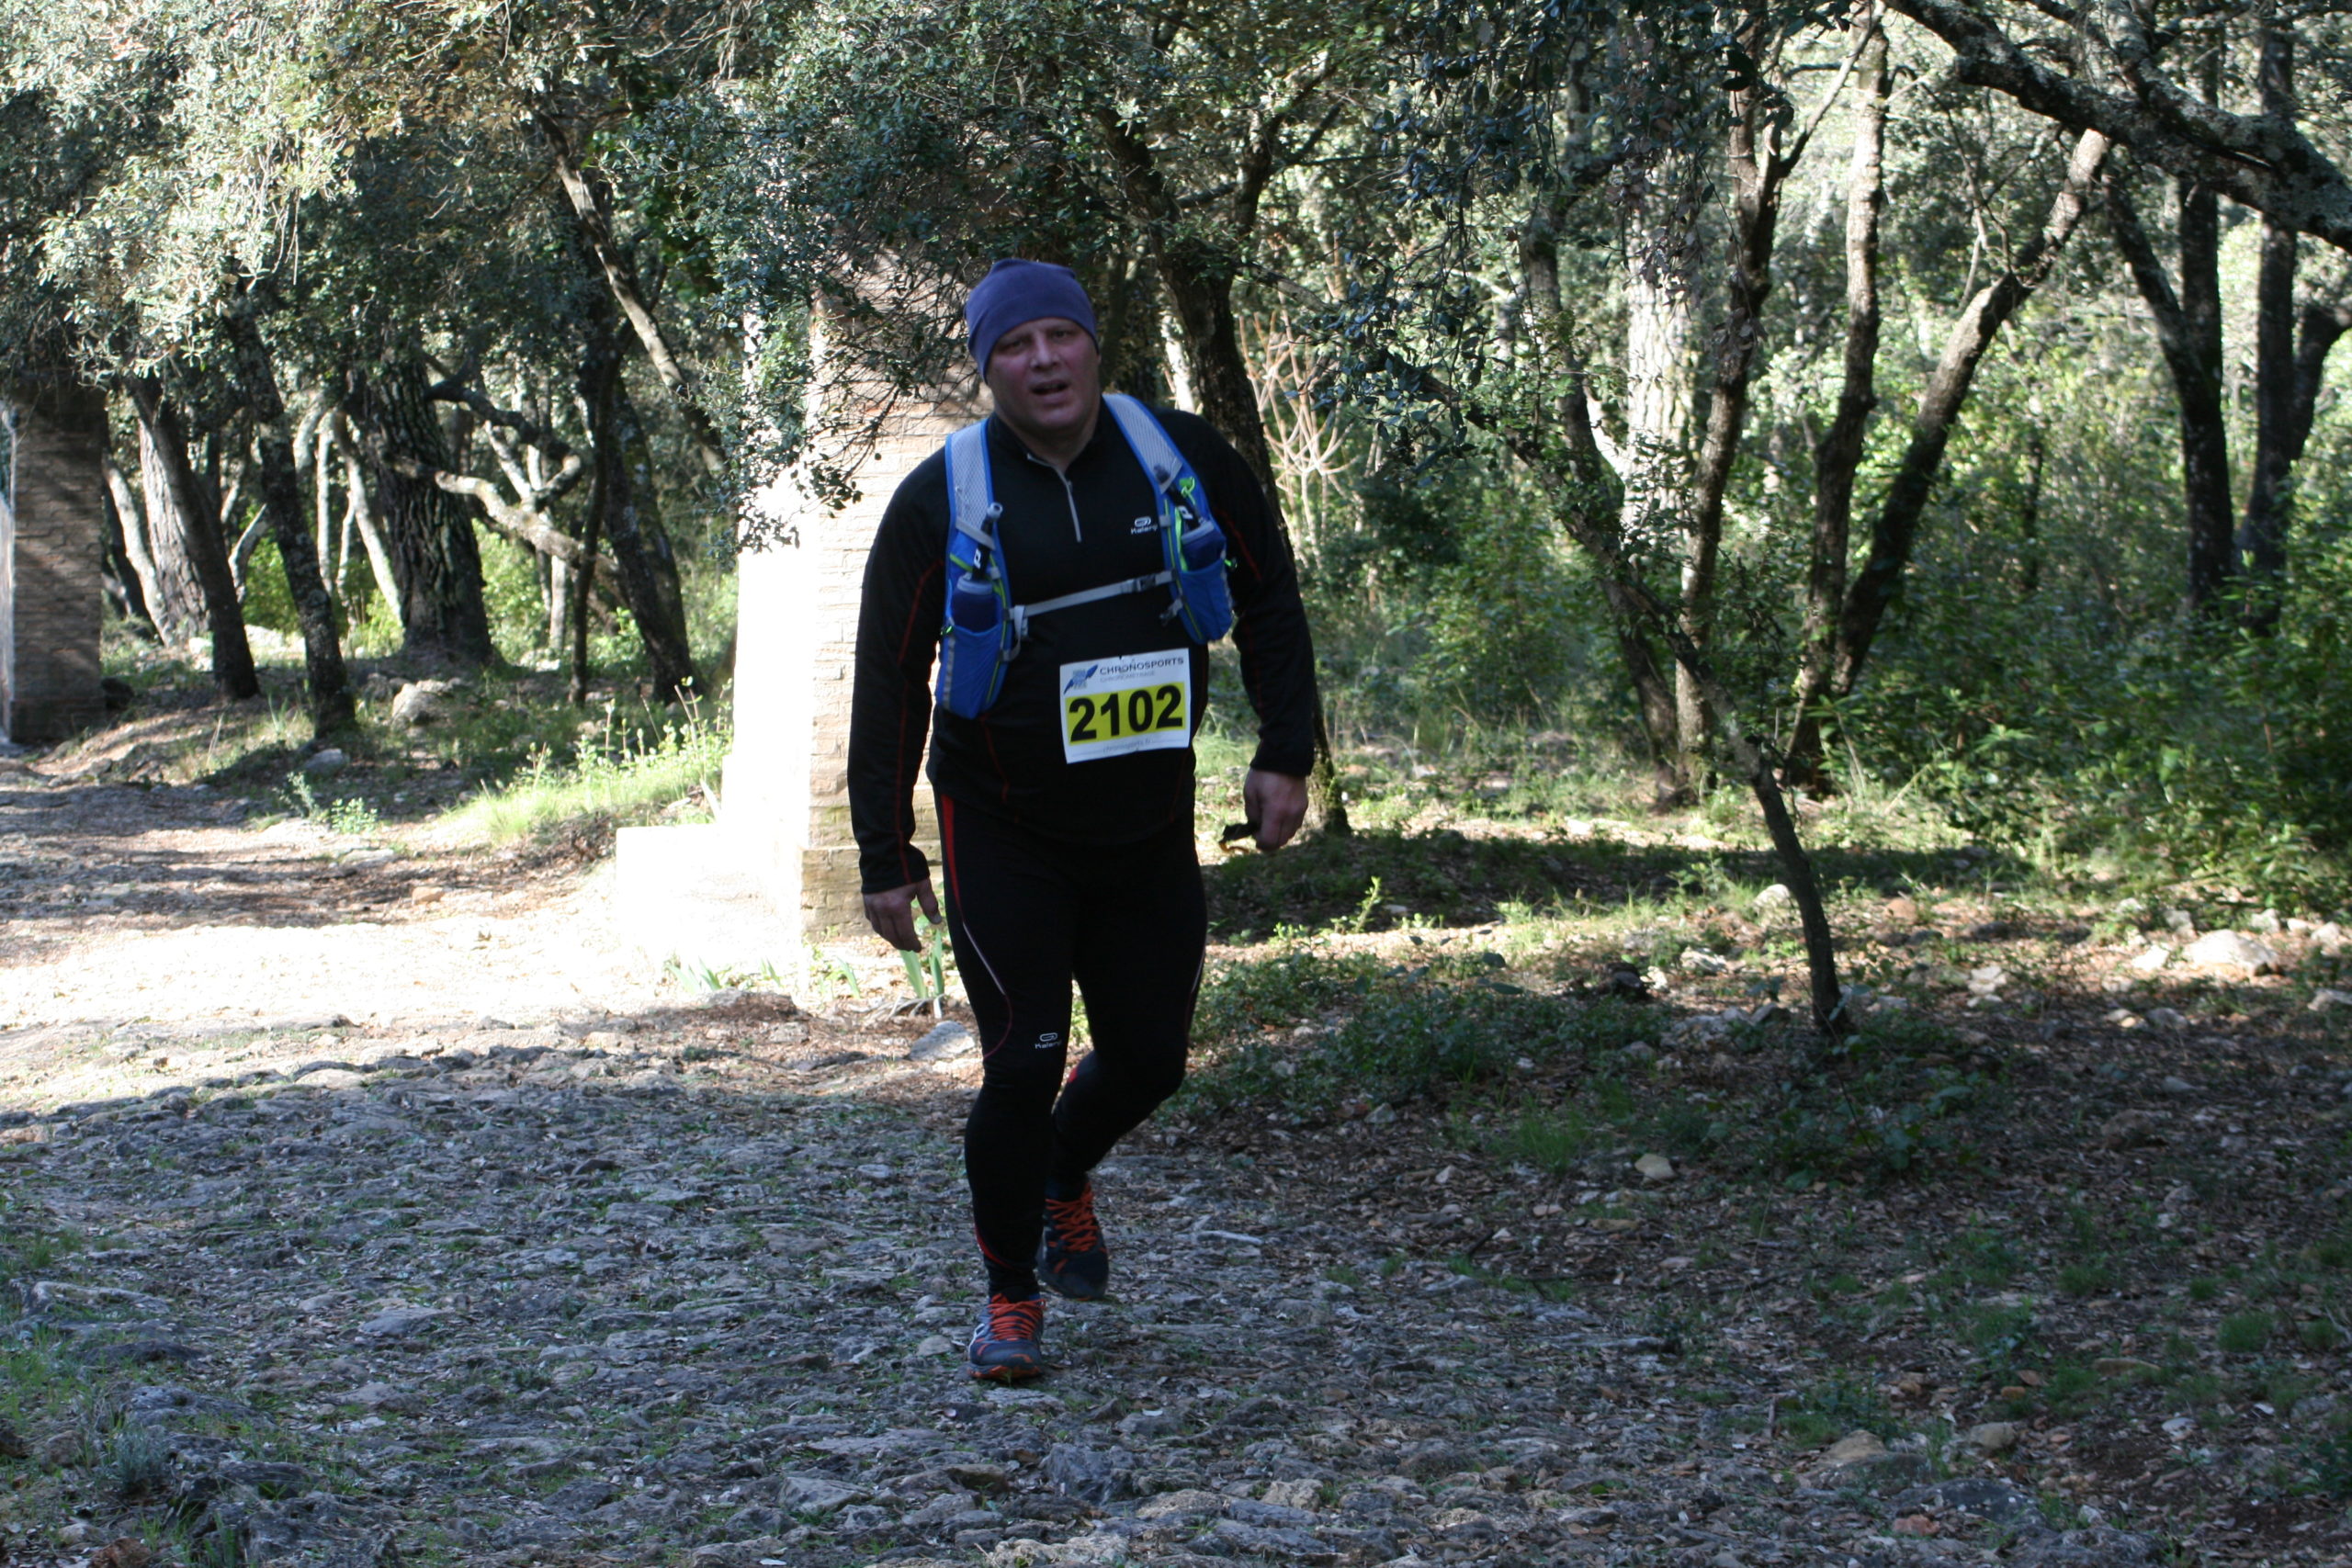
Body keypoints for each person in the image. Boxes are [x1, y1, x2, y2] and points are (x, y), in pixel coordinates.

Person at [847, 258, 1321, 1380]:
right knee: (1021, 1064)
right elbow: (887, 676)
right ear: (987, 369)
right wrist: (885, 851)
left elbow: (1268, 595)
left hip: (1146, 822)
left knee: (1152, 1058)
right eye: (1015, 346)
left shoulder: (1181, 459)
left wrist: (1283, 752)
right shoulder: (940, 498)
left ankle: (1061, 1169)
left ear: (1094, 345)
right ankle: (1011, 1300)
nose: (1043, 360)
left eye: (1060, 335)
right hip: (1001, 823)